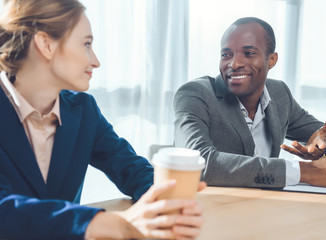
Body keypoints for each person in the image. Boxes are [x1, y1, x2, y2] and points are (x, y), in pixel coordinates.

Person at [0, 0, 203, 239]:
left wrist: (163, 199)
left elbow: (129, 167)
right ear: (46, 45)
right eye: (86, 44)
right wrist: (113, 224)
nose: (95, 61)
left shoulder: (83, 110)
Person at [174, 17, 326, 189]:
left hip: (267, 206)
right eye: (226, 55)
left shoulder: (279, 94)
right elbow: (196, 163)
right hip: (209, 211)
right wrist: (305, 172)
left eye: (248, 53)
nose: (234, 63)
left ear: (271, 60)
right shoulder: (195, 94)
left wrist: (321, 149)